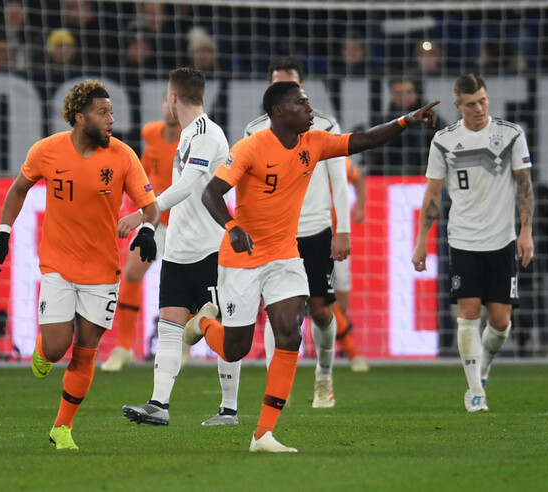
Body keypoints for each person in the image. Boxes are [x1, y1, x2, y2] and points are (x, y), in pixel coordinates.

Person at [185, 81, 438, 452]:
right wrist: (232, 226)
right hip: (243, 258)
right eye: (300, 103)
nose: (309, 108)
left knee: (290, 334)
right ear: (278, 113)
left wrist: (406, 120)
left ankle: (263, 435)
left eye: (307, 101)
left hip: (285, 255)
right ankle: (204, 323)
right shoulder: (250, 147)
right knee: (235, 348)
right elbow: (211, 193)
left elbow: (364, 140)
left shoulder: (315, 142)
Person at [0, 80, 159, 450]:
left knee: (86, 347)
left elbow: (151, 206)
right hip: (58, 266)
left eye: (111, 111)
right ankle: (43, 349)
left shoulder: (123, 155)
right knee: (56, 347)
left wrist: (146, 230)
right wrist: (3, 233)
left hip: (103, 271)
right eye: (103, 112)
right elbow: (18, 189)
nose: (111, 119)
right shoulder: (47, 151)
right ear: (79, 118)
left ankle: (62, 428)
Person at [120, 67, 240, 427]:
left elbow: (188, 185)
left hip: (209, 249)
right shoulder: (188, 133)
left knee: (222, 327)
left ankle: (229, 409)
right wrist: (152, 225)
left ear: (173, 97)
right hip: (177, 250)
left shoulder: (206, 133)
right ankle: (159, 404)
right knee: (170, 326)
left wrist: (145, 212)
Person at [411, 74, 535, 413]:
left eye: (482, 101)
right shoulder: (444, 141)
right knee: (467, 314)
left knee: (500, 323)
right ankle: (475, 390)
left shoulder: (511, 135)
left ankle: (484, 367)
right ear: (458, 106)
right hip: (463, 239)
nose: (478, 109)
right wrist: (421, 241)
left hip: (502, 240)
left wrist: (526, 231)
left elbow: (524, 185)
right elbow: (433, 195)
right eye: (470, 104)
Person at [240, 56, 351, 409]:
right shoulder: (254, 131)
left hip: (315, 230)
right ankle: (279, 388)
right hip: (273, 235)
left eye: (293, 85)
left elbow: (339, 180)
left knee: (320, 311)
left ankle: (324, 376)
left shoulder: (324, 126)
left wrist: (343, 230)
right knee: (276, 311)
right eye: (279, 84)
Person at [101, 92, 180, 372]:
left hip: (184, 222)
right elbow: (143, 171)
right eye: (166, 101)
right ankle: (124, 347)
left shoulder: (194, 140)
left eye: (175, 101)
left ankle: (182, 344)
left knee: (186, 280)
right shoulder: (151, 134)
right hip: (154, 218)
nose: (170, 107)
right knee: (132, 273)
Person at [333, 156, 369, 372]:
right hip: (311, 235)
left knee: (340, 303)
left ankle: (338, 335)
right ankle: (352, 352)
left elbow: (357, 177)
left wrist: (361, 207)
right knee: (324, 300)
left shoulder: (337, 159)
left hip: (338, 237)